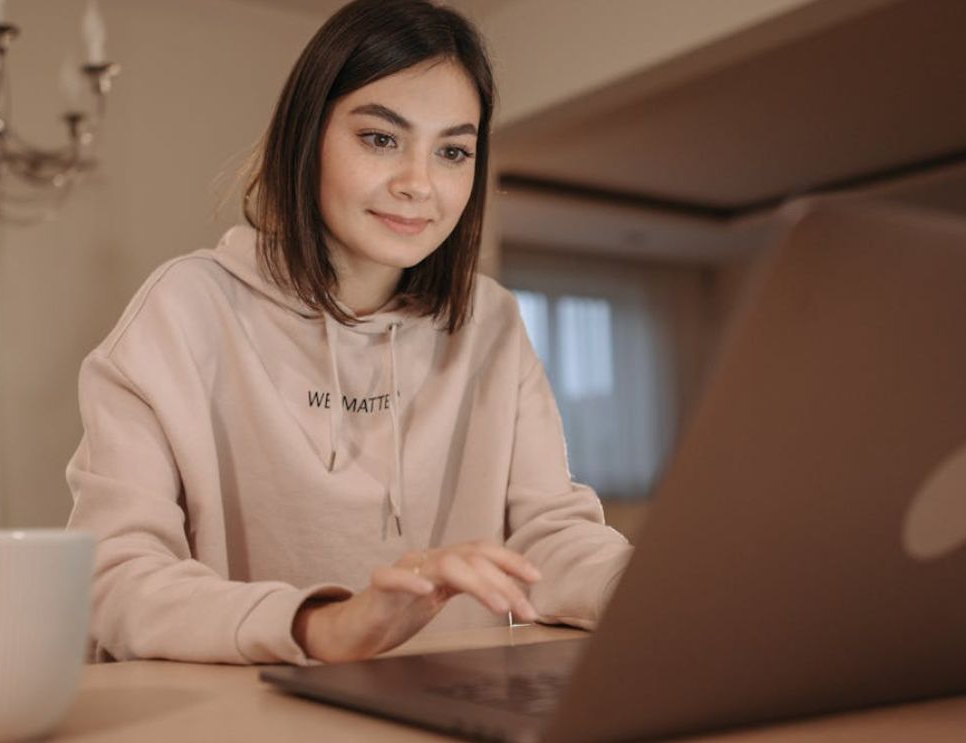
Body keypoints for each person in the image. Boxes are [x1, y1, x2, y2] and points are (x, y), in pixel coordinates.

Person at [66, 0, 632, 666]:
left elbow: (550, 537)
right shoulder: (181, 311)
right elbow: (113, 576)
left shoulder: (492, 324)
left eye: (452, 151)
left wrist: (654, 589)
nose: (418, 183)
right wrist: (322, 625)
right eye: (380, 139)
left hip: (447, 712)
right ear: (307, 137)